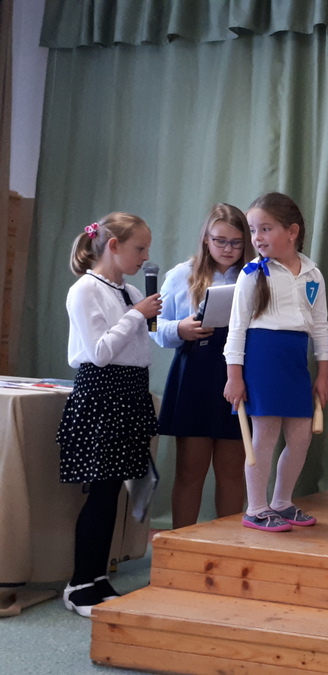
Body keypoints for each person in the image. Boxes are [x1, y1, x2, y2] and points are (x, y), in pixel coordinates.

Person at [57, 213, 162, 616]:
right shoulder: (85, 290)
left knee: (115, 490)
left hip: (131, 392)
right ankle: (79, 585)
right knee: (101, 492)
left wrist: (151, 317)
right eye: (139, 248)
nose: (145, 256)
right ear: (113, 246)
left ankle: (98, 577)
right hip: (102, 394)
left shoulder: (130, 290)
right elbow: (99, 353)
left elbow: (140, 346)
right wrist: (137, 315)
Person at [223, 193, 328, 532]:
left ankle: (282, 502)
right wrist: (234, 376)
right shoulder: (252, 274)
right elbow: (237, 328)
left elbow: (320, 327)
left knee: (301, 437)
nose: (257, 238)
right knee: (264, 437)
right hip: (262, 358)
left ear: (292, 231)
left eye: (265, 229)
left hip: (295, 359)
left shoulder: (313, 274)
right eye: (253, 230)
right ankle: (256, 508)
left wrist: (323, 373)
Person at [153, 204, 251, 528]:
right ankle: (182, 541)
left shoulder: (253, 276)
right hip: (194, 375)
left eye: (236, 242)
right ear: (206, 239)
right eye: (220, 240)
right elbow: (155, 327)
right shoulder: (182, 274)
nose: (228, 249)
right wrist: (180, 328)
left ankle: (227, 546)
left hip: (236, 375)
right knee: (189, 470)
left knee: (232, 471)